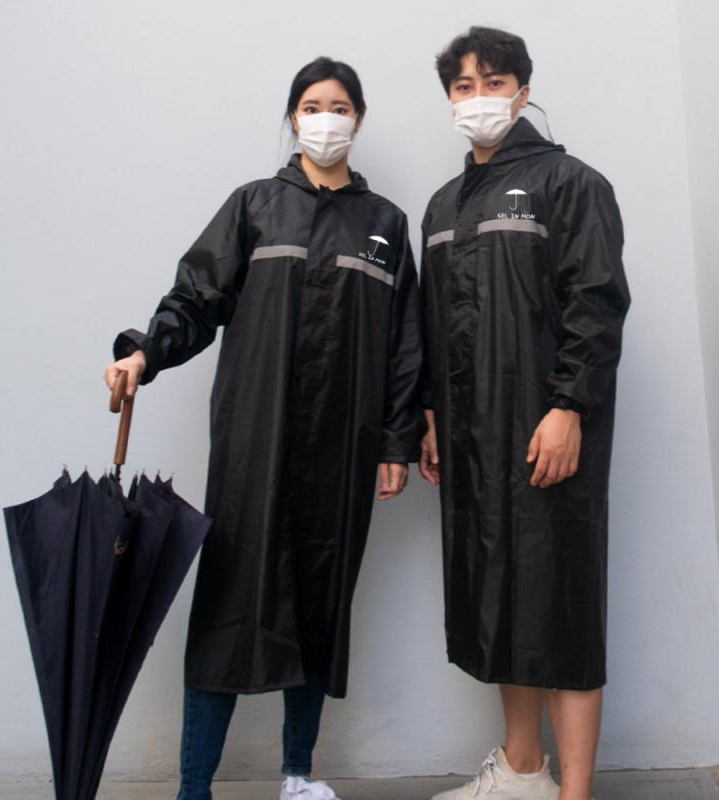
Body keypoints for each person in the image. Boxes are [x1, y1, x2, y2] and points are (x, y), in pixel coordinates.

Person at [103, 57, 423, 800]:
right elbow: (195, 299)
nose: (325, 118)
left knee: (319, 604)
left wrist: (395, 442)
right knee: (228, 605)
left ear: (358, 119)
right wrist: (144, 353)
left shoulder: (385, 225)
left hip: (342, 449)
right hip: (256, 440)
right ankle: (194, 789)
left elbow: (405, 345)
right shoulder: (254, 206)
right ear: (292, 118)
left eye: (339, 106)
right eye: (311, 105)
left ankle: (298, 777)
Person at [418, 27, 631, 800]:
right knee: (501, 599)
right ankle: (522, 770)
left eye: (494, 82)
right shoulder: (442, 207)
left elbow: (596, 302)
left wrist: (570, 405)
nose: (478, 98)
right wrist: (431, 412)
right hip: (471, 439)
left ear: (523, 90)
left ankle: (574, 794)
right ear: (449, 99)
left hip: (548, 432)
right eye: (464, 86)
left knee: (560, 602)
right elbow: (432, 320)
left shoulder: (571, 183)